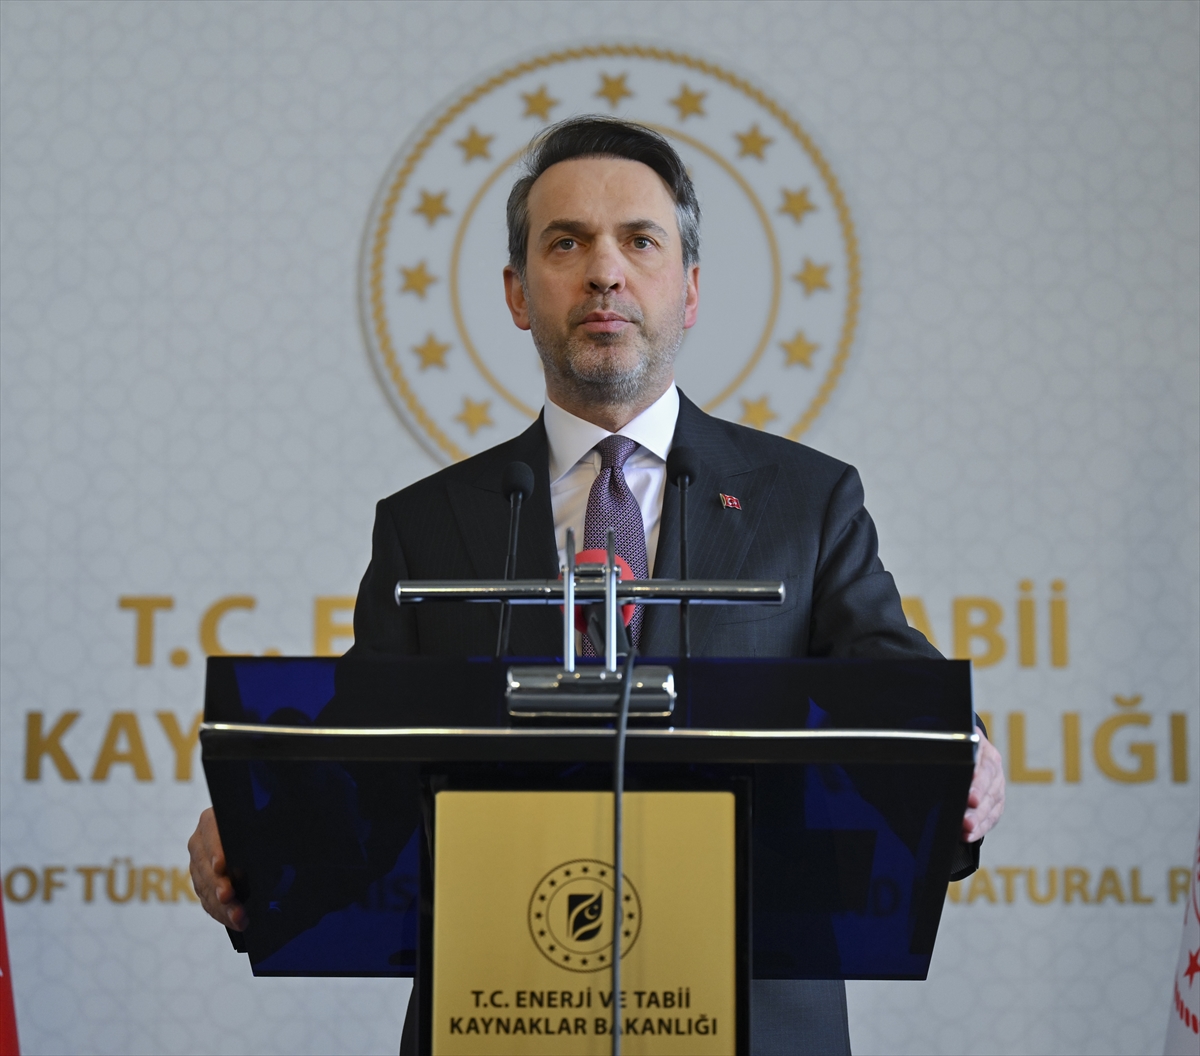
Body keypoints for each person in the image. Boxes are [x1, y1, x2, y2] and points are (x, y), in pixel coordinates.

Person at [189, 116, 1006, 1054]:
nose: (605, 272)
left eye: (640, 241)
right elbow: (360, 770)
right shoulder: (427, 525)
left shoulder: (806, 503)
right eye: (566, 243)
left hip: (753, 1017)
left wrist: (961, 757)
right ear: (517, 293)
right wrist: (255, 837)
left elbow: (890, 691)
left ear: (689, 289)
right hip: (503, 1012)